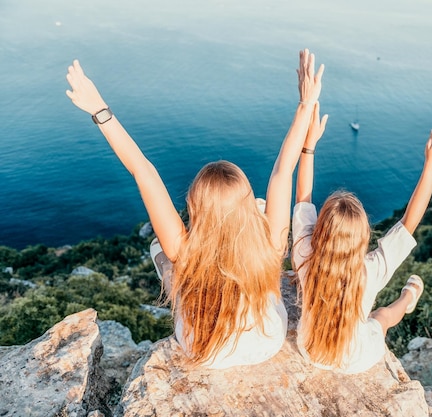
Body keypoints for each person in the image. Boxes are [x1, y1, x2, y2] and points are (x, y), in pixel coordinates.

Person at [65, 48, 324, 368]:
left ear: (195, 204)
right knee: (260, 232)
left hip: (203, 350)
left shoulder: (183, 249)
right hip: (267, 340)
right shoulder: (270, 242)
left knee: (161, 247)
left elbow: (143, 170)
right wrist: (305, 103)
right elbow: (283, 171)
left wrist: (99, 109)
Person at [292, 115, 432, 374]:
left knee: (374, 316)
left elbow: (303, 197)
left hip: (309, 349)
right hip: (352, 359)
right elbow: (409, 223)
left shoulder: (305, 249)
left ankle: (407, 297)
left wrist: (309, 145)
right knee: (382, 316)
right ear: (362, 237)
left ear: (321, 229)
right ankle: (408, 297)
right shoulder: (370, 270)